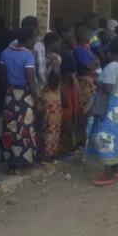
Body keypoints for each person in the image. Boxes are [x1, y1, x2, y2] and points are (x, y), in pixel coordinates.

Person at [85, 37, 118, 187]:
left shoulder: (111, 67)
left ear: (110, 52)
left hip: (110, 103)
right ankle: (115, 169)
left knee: (106, 136)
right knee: (117, 136)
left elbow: (109, 88)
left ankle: (109, 174)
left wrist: (99, 81)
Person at [0, 26, 42, 175]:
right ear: (28, 39)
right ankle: (24, 163)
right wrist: (37, 101)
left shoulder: (5, 53)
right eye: (34, 38)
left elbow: (2, 78)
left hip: (10, 95)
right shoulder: (28, 56)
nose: (35, 41)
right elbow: (31, 81)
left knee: (10, 128)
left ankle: (11, 164)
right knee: (25, 129)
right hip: (24, 96)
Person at [57, 23, 84, 154]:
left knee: (72, 117)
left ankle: (70, 144)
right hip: (65, 87)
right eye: (70, 33)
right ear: (63, 34)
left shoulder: (69, 50)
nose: (73, 36)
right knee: (65, 117)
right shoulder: (60, 52)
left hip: (72, 86)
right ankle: (62, 147)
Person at [41, 32, 63, 160]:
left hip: (41, 93)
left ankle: (41, 152)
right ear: (54, 43)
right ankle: (49, 154)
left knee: (43, 124)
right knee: (53, 125)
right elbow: (55, 74)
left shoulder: (37, 56)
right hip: (52, 94)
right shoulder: (56, 58)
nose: (60, 45)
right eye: (59, 42)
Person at [74, 24, 100, 115]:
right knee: (87, 111)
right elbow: (90, 66)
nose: (91, 37)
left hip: (92, 83)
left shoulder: (86, 49)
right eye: (89, 34)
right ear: (82, 36)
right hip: (86, 83)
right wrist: (96, 62)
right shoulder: (78, 50)